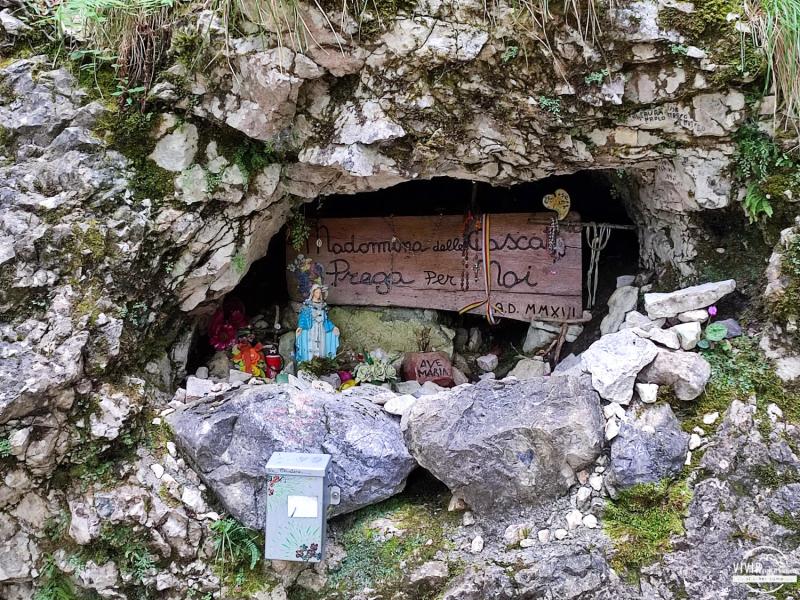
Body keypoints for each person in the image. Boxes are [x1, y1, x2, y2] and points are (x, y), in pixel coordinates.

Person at [295, 285, 340, 362]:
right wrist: (300, 327)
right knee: (311, 346)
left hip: (321, 329)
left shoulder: (323, 305)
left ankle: (321, 362)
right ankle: (309, 362)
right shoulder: (307, 305)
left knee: (321, 346)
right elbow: (303, 317)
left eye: (319, 293)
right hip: (311, 329)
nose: (318, 294)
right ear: (313, 293)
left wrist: (333, 327)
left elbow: (326, 319)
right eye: (316, 292)